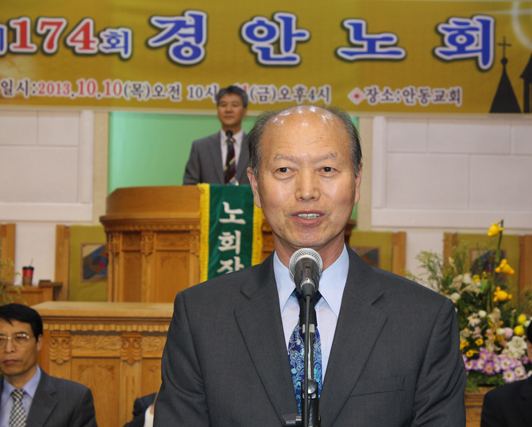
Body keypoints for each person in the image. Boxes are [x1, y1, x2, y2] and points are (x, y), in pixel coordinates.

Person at [156, 105, 466, 426]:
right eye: (284, 170)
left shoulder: (424, 320)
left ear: (357, 180)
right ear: (255, 186)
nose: (307, 191)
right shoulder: (201, 317)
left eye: (327, 169)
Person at [0, 304, 96, 427]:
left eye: (20, 338)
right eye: (1, 339)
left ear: (39, 342)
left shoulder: (74, 398)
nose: (8, 349)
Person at [183, 86, 250, 185]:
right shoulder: (200, 147)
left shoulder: (256, 146)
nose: (228, 109)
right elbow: (189, 185)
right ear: (218, 110)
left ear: (245, 111)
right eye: (223, 105)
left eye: (234, 105)